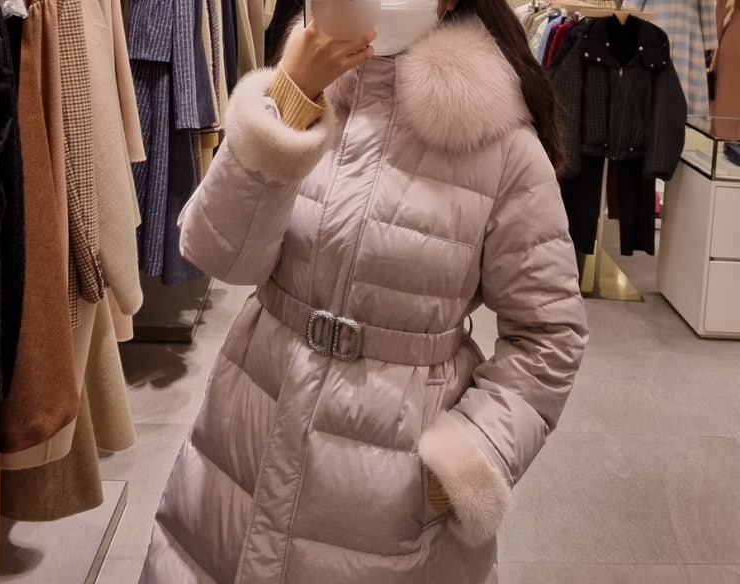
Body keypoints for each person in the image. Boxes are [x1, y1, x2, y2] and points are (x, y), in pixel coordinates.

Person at [139, 0, 589, 580]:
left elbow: (550, 334)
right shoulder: (304, 90)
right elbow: (221, 255)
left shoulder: (499, 143)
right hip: (242, 449)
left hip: (389, 504)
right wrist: (290, 98)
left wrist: (470, 457)